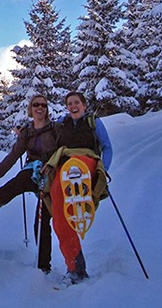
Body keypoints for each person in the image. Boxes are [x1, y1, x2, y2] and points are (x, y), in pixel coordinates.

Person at [43, 91, 113, 286]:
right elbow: (45, 131)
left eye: (76, 103)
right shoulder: (62, 124)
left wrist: (104, 170)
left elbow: (107, 147)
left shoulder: (93, 122)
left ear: (84, 105)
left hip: (86, 161)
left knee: (74, 166)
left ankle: (80, 188)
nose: (73, 106)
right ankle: (75, 268)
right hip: (63, 167)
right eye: (69, 103)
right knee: (59, 216)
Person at [0, 94, 58, 273]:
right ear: (31, 109)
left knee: (42, 220)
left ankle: (43, 267)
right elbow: (14, 155)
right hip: (31, 172)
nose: (39, 108)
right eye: (36, 105)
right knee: (19, 182)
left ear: (47, 109)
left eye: (43, 105)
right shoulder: (27, 132)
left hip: (49, 175)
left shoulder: (56, 129)